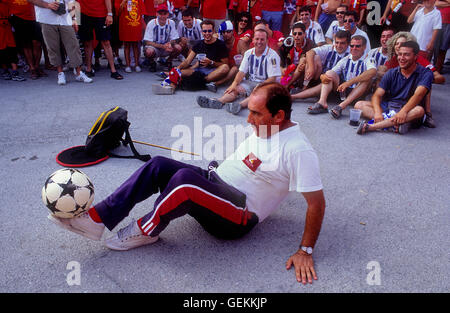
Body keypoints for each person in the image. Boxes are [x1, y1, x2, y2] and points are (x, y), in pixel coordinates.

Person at [48, 82, 326, 285]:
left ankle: (147, 229)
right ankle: (97, 219)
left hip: (238, 215)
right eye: (249, 111)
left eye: (256, 114)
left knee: (183, 183)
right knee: (157, 165)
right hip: (216, 183)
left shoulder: (298, 150)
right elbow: (256, 164)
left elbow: (316, 203)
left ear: (279, 116)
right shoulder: (268, 126)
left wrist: (305, 251)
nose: (248, 119)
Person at [196, 28, 281, 115]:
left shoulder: (273, 56)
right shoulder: (248, 53)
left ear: (267, 40)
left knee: (259, 94)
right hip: (251, 81)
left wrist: (260, 87)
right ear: (253, 40)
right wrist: (234, 84)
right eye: (257, 39)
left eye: (262, 39)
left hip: (267, 84)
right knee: (235, 89)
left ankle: (238, 105)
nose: (259, 42)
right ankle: (218, 101)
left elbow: (272, 78)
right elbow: (241, 72)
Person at [355, 41, 431, 135]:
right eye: (400, 54)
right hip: (389, 107)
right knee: (359, 105)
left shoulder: (425, 73)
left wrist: (403, 112)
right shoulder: (391, 72)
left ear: (415, 57)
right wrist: (378, 112)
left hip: (409, 109)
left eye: (406, 55)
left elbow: (418, 95)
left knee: (419, 110)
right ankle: (395, 125)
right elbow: (377, 95)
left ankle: (372, 127)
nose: (402, 58)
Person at [306, 35, 376, 118]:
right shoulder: (346, 59)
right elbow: (332, 72)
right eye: (352, 46)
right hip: (344, 91)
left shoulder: (368, 58)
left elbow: (372, 71)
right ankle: (322, 103)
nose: (354, 48)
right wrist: (323, 76)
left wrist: (349, 82)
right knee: (329, 74)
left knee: (366, 79)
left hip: (359, 94)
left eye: (358, 46)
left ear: (364, 47)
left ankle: (341, 107)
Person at [28, 0, 93, 85]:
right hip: (47, 19)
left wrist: (75, 19)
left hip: (65, 18)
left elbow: (71, 2)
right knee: (52, 47)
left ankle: (78, 73)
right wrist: (47, 5)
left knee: (73, 44)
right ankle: (60, 73)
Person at [291, 29, 350, 100]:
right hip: (322, 78)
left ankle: (295, 96)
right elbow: (310, 52)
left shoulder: (351, 53)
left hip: (336, 85)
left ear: (348, 43)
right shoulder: (330, 47)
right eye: (337, 42)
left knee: (328, 78)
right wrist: (311, 68)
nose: (338, 45)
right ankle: (304, 88)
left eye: (342, 43)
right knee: (314, 58)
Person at [174, 20, 229, 91]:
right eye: (204, 31)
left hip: (213, 71)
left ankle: (198, 81)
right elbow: (187, 61)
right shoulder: (199, 44)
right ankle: (199, 82)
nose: (207, 33)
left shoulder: (220, 44)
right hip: (199, 71)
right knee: (174, 72)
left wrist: (211, 62)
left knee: (225, 68)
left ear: (213, 31)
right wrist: (179, 67)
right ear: (201, 32)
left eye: (209, 31)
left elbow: (225, 64)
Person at [77, 0, 124, 79]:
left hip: (101, 13)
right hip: (83, 12)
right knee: (87, 42)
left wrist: (109, 14)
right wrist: (75, 17)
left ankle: (113, 70)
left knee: (106, 42)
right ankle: (89, 69)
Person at [8, 0, 45, 80]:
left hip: (36, 16)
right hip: (18, 16)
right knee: (26, 44)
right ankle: (32, 68)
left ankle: (37, 66)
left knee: (37, 43)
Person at [143, 3, 181, 71]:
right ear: (157, 14)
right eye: (160, 14)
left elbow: (175, 38)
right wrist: (162, 46)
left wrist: (170, 43)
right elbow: (147, 42)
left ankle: (168, 61)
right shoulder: (152, 23)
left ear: (168, 14)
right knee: (149, 51)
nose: (162, 16)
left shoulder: (171, 22)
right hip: (155, 47)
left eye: (165, 14)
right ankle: (152, 62)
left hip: (166, 47)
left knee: (178, 47)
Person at [281, 22, 316, 90]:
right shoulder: (288, 42)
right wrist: (281, 68)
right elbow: (280, 55)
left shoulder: (311, 45)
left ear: (304, 34)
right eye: (294, 34)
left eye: (299, 34)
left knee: (303, 61)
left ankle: (288, 86)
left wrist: (305, 64)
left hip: (303, 71)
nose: (297, 36)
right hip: (289, 69)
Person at [115, 0, 146, 73]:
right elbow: (118, 12)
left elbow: (141, 13)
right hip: (125, 25)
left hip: (136, 24)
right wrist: (123, 2)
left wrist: (142, 24)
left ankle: (136, 64)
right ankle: (128, 65)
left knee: (135, 44)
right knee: (126, 45)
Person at [0, 0, 26, 81]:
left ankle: (15, 72)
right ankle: (5, 71)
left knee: (11, 49)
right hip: (2, 26)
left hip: (7, 25)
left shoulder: (8, 2)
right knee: (2, 50)